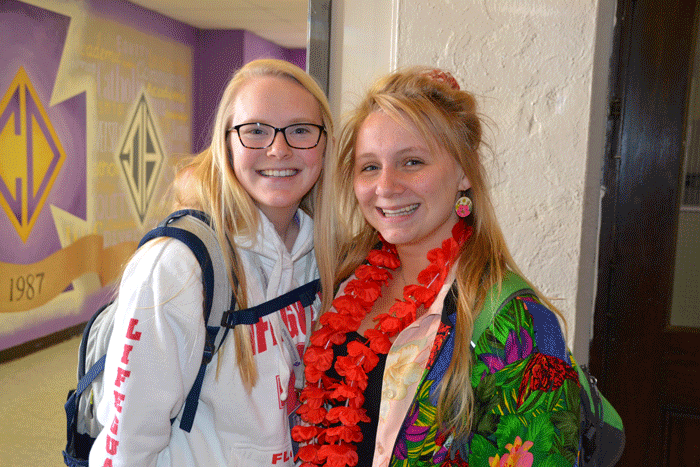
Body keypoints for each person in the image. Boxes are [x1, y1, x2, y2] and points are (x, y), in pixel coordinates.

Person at [293, 68, 581, 466]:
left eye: (412, 162)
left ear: (464, 173)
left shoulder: (516, 320)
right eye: (370, 166)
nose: (386, 186)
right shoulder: (342, 280)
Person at [90, 59, 333, 466]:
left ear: (325, 143)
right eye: (255, 130)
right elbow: (126, 446)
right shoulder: (177, 267)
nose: (278, 148)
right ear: (226, 143)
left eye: (300, 130)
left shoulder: (324, 256)